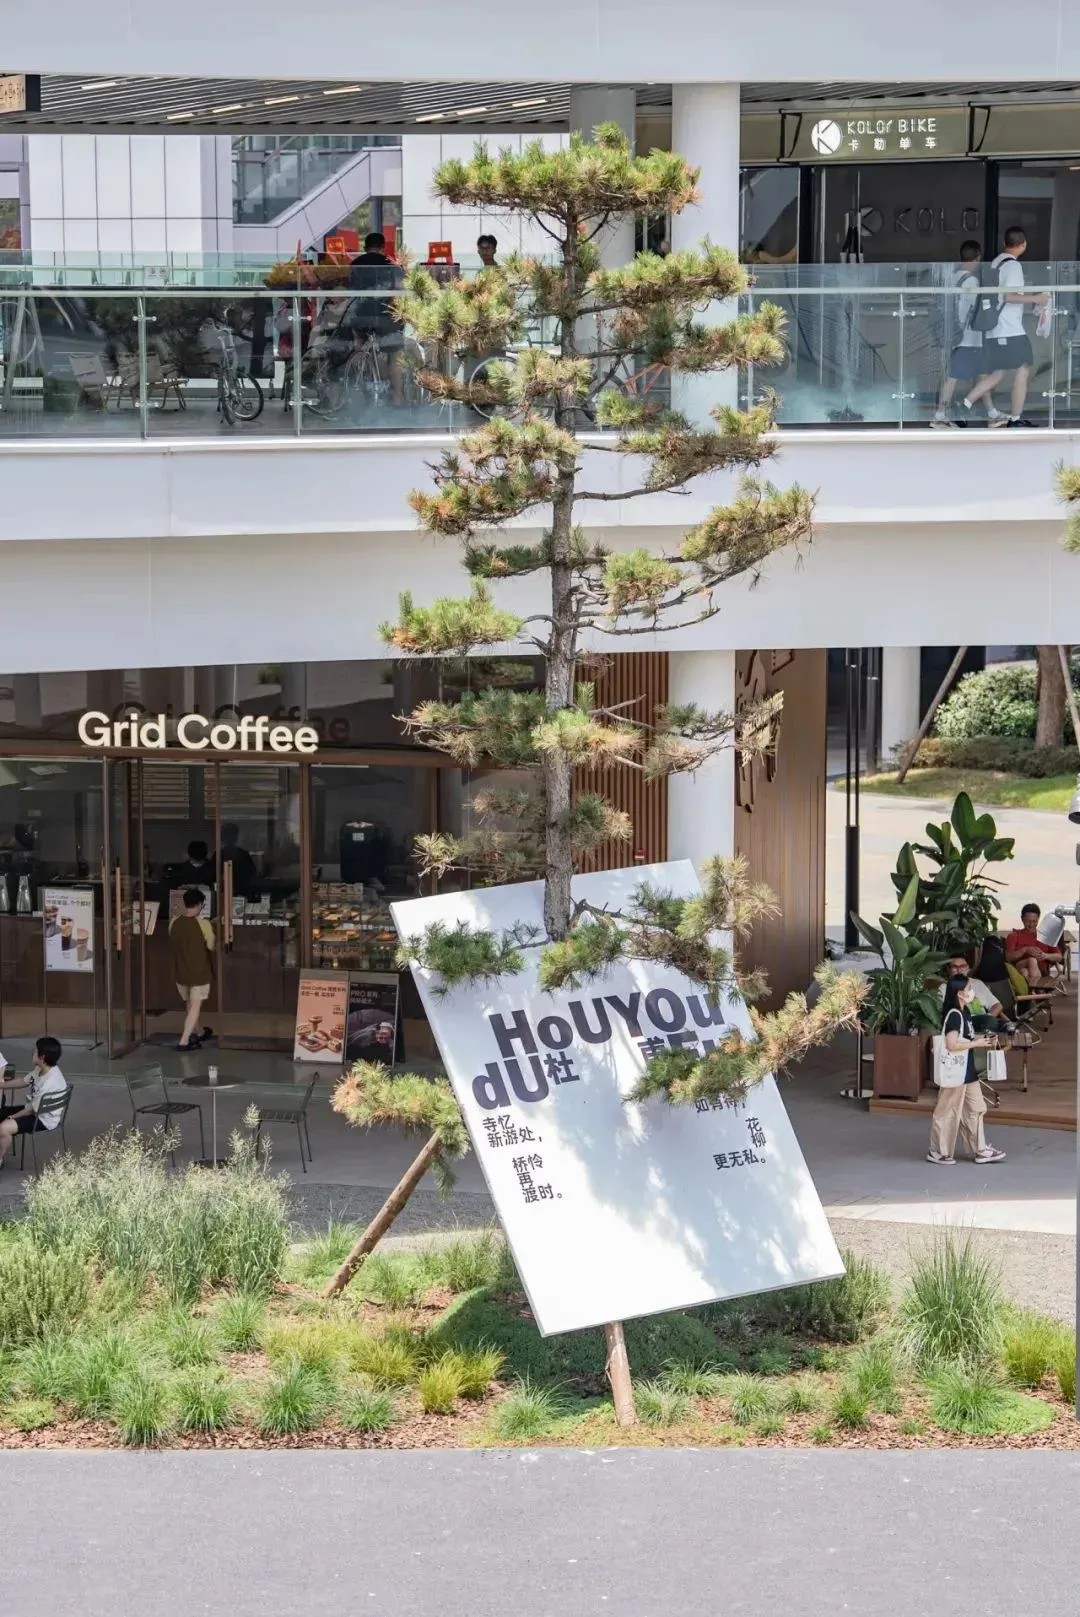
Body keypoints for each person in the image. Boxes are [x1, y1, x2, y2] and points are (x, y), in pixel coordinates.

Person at [960, 227, 1048, 429]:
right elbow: (1009, 296)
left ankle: (964, 405)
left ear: (1004, 243)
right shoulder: (1013, 266)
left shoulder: (995, 262)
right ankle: (1015, 419)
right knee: (1023, 368)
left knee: (999, 372)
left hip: (994, 327)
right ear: (1023, 244)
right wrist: (1037, 298)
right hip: (1009, 329)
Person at [928, 976, 1006, 1165]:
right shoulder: (955, 1015)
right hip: (955, 1071)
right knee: (947, 1111)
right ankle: (938, 1151)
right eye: (969, 988)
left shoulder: (965, 1012)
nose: (972, 991)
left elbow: (965, 1039)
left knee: (976, 1109)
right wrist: (976, 1044)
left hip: (967, 1071)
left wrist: (982, 1040)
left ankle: (980, 1149)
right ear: (959, 993)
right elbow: (951, 1044)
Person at [930, 241, 984, 429]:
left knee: (973, 374)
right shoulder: (971, 281)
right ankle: (940, 415)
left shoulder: (951, 277)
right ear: (977, 258)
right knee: (954, 376)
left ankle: (990, 412)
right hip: (966, 337)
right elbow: (968, 310)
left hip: (952, 334)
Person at [347, 231, 406, 404]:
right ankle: (398, 396)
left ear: (365, 248)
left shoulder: (354, 265)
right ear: (383, 247)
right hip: (385, 318)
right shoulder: (392, 265)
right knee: (395, 353)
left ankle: (362, 379)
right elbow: (400, 292)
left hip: (361, 318)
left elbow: (349, 293)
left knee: (362, 346)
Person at [0, 1037, 67, 1163]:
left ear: (42, 1057)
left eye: (36, 1051)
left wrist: (11, 1117)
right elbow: (23, 1081)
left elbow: (30, 1110)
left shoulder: (49, 1083)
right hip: (35, 1109)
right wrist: (1, 1085)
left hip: (43, 1119)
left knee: (4, 1127)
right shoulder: (42, 1068)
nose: (33, 1053)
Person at [169, 888, 215, 1051]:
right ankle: (184, 1041)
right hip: (199, 972)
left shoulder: (174, 922)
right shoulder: (204, 924)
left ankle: (200, 1031)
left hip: (181, 971)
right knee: (195, 1006)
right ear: (200, 905)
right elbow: (211, 945)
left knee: (189, 1003)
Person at [936, 954, 1014, 1035]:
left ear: (968, 968)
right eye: (955, 967)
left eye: (962, 966)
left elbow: (997, 1005)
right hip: (962, 1021)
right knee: (991, 1023)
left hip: (985, 1019)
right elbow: (945, 1011)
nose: (959, 970)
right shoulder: (944, 987)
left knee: (1007, 1026)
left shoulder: (977, 983)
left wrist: (990, 1015)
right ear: (949, 970)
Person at [1005, 903, 1063, 988]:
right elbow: (1009, 958)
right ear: (1022, 919)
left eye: (1034, 921)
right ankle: (1038, 990)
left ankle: (1032, 992)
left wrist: (1045, 955)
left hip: (1036, 973)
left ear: (1038, 919)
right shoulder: (1014, 936)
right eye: (1028, 921)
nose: (1031, 925)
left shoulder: (1045, 936)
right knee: (1032, 960)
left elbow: (1059, 957)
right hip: (1018, 970)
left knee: (1025, 972)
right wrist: (1025, 950)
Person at [220, 822, 257, 900]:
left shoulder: (219, 855)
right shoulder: (243, 854)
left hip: (235, 895)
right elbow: (252, 874)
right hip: (239, 895)